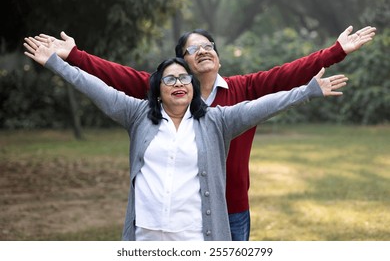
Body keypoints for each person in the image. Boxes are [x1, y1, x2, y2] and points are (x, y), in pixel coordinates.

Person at [24, 25, 375, 240]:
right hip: (170, 216)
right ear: (181, 63)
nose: (204, 50)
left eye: (209, 46)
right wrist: (72, 56)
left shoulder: (241, 92)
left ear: (218, 57)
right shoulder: (159, 94)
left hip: (230, 210)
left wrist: (336, 52)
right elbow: (112, 80)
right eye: (194, 49)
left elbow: (288, 79)